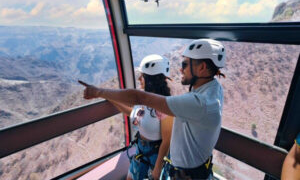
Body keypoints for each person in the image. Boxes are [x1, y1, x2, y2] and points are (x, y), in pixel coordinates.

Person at [79, 38, 226, 179]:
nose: (181, 69)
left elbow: (139, 97)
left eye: (185, 64)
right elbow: (136, 108)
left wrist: (98, 92)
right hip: (187, 169)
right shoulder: (213, 88)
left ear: (202, 68)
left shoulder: (199, 103)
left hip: (186, 174)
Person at [107, 54, 173, 180]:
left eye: (142, 76)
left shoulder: (164, 105)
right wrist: (111, 99)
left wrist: (157, 169)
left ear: (151, 79)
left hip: (155, 155)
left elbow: (167, 140)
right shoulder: (143, 98)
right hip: (140, 151)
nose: (139, 79)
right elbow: (133, 113)